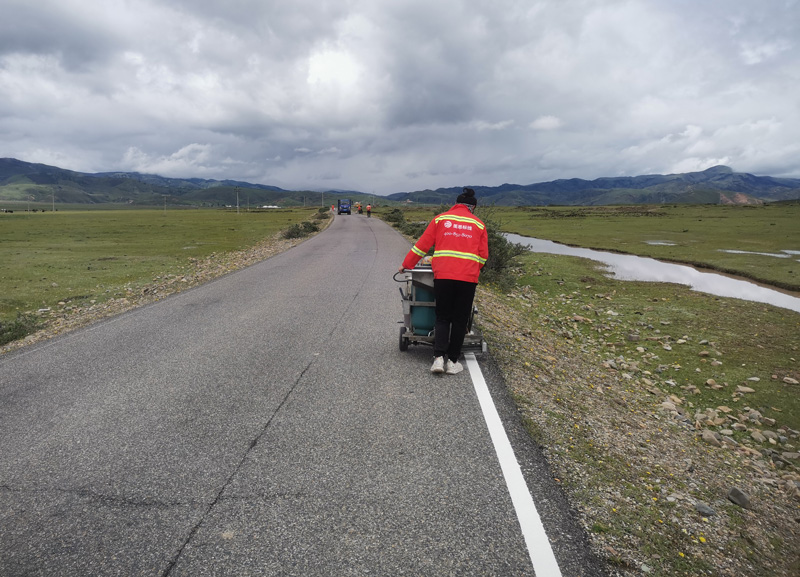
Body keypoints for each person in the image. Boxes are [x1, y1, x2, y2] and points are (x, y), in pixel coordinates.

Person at [398, 188, 489, 375]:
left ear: (455, 204)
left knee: (442, 316)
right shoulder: (479, 225)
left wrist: (406, 265)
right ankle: (453, 361)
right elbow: (483, 256)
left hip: (443, 276)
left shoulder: (440, 220)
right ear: (472, 207)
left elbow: (422, 246)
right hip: (467, 278)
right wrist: (473, 269)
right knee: (459, 319)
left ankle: (438, 359)